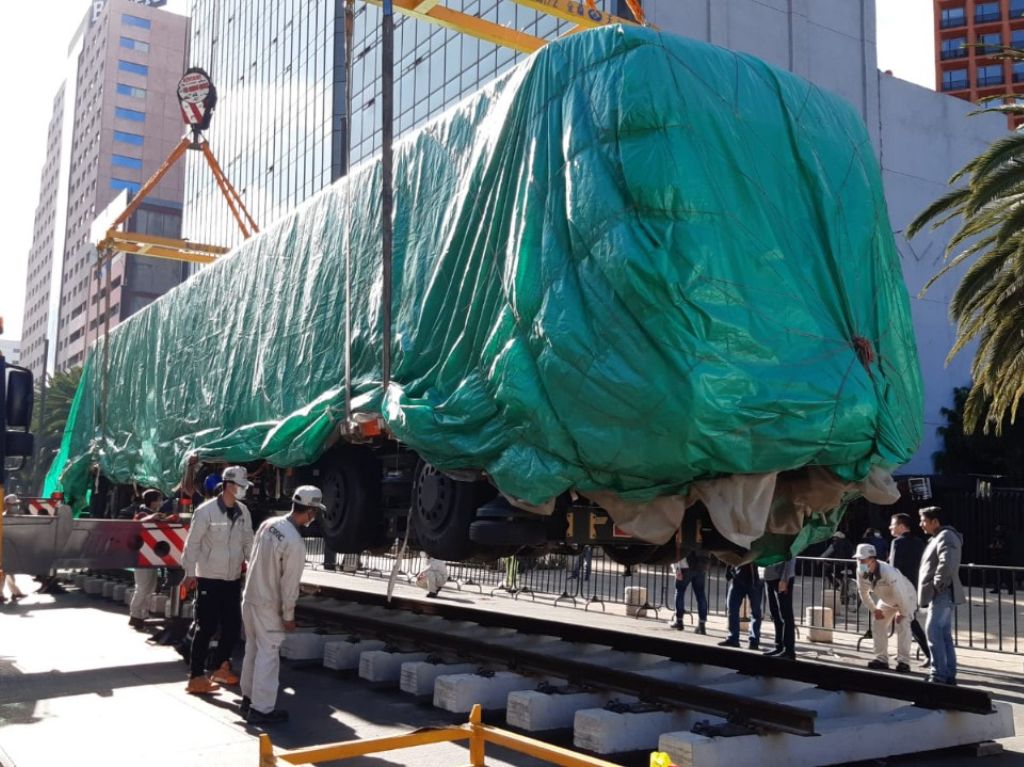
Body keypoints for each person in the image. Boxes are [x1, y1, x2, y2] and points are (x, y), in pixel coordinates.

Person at [239, 485, 324, 724]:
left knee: (252, 650)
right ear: (310, 511)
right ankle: (261, 709)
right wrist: (288, 614)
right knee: (269, 654)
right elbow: (289, 585)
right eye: (315, 513)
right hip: (269, 605)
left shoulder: (269, 524)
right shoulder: (295, 542)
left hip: (251, 597)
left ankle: (248, 699)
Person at [181, 465, 255, 695]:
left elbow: (248, 543)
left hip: (231, 578)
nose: (243, 490)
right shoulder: (206, 512)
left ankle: (220, 666)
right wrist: (189, 572)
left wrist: (254, 568)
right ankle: (196, 677)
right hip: (209, 578)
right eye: (241, 486)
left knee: (233, 626)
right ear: (229, 485)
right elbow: (192, 544)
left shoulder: (243, 511)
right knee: (206, 628)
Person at [918, 506, 965, 686]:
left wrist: (937, 586)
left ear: (935, 521)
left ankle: (939, 674)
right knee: (942, 633)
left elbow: (947, 563)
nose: (921, 524)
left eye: (923, 520)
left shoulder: (946, 536)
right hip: (941, 592)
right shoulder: (941, 537)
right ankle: (947, 674)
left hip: (942, 593)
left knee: (934, 631)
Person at [855, 543, 917, 673]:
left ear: (872, 559)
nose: (860, 562)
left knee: (903, 625)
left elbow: (900, 592)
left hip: (906, 597)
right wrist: (874, 609)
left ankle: (904, 662)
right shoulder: (861, 571)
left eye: (863, 560)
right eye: (858, 559)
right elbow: (863, 592)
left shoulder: (887, 571)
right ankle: (881, 659)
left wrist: (903, 611)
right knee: (878, 623)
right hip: (887, 600)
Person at [888, 512, 931, 667]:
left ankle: (927, 653)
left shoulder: (897, 543)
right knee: (907, 621)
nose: (890, 527)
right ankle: (903, 653)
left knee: (908, 621)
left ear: (901, 526)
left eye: (892, 524)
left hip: (901, 588)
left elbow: (894, 570)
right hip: (915, 586)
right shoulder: (920, 542)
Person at [128, 489, 165, 629]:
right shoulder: (142, 513)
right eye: (159, 499)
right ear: (153, 501)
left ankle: (143, 615)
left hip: (152, 556)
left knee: (150, 586)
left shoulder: (154, 515)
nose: (161, 502)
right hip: (141, 556)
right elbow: (138, 523)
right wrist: (153, 517)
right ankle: (135, 615)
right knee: (142, 586)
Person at [717, 562, 762, 649]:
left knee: (755, 611)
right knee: (732, 607)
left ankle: (753, 641)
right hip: (739, 576)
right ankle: (734, 638)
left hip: (753, 577)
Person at [761, 557, 796, 659]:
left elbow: (791, 557)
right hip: (769, 578)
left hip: (780, 578)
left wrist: (785, 578)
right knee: (775, 614)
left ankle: (789, 650)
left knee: (786, 615)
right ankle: (779, 646)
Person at [670, 550, 709, 634]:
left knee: (680, 592)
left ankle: (679, 621)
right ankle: (702, 624)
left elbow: (677, 549)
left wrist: (676, 568)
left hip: (685, 566)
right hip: (700, 566)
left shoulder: (681, 536)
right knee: (700, 594)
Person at [1, 494, 26, 604]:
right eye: (14, 504)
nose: (16, 506)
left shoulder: (17, 517)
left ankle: (16, 593)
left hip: (11, 550)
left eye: (17, 504)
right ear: (7, 505)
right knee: (3, 573)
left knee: (10, 572)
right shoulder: (3, 518)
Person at [987, 524, 1014, 594]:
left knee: (1007, 574)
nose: (997, 531)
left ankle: (1010, 589)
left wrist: (1000, 547)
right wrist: (993, 547)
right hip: (997, 558)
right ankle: (997, 588)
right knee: (997, 574)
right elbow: (992, 546)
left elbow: (1008, 547)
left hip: (1005, 558)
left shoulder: (1007, 538)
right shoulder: (996, 538)